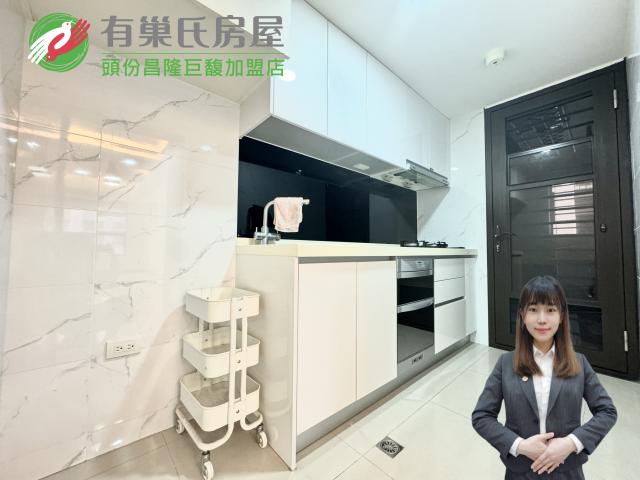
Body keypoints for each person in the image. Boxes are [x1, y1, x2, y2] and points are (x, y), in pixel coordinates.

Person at [472, 276, 617, 479]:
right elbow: (481, 416)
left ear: (562, 315)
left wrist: (570, 443)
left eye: (550, 310)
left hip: (567, 470)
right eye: (533, 309)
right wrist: (520, 445)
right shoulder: (506, 364)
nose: (542, 319)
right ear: (522, 315)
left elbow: (607, 412)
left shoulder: (579, 363)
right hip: (521, 472)